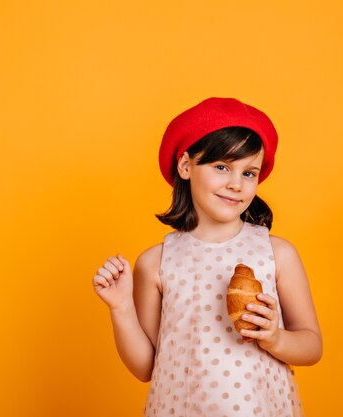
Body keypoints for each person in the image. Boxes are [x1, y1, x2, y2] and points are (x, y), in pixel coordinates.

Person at [92, 97, 322, 417]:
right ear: (186, 166)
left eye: (249, 173)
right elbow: (146, 367)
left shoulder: (277, 254)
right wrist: (121, 307)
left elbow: (312, 346)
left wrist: (275, 338)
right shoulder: (155, 263)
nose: (235, 184)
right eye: (221, 167)